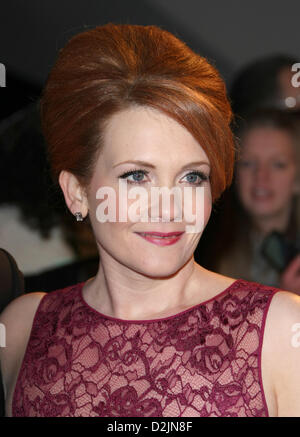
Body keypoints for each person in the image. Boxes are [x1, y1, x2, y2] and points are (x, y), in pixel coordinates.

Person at [0, 23, 300, 418]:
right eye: (137, 175)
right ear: (77, 192)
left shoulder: (280, 331)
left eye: (192, 176)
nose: (170, 206)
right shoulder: (22, 328)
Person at [198, 109, 300, 294]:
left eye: (278, 164)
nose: (261, 176)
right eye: (248, 163)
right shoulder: (209, 255)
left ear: (297, 179)